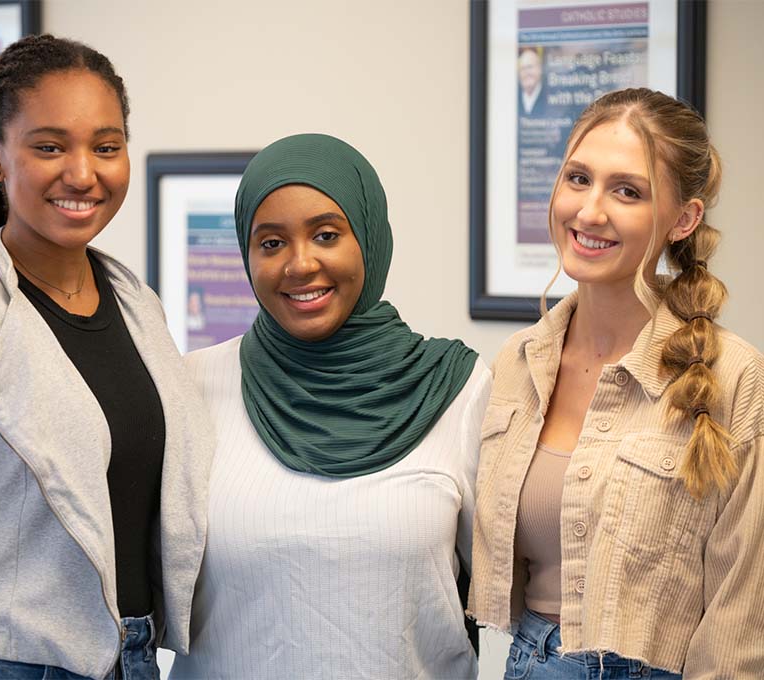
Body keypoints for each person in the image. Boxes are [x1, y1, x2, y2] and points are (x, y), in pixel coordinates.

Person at [0, 34, 213, 680]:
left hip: (133, 659)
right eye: (50, 146)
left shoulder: (136, 301)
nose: (84, 173)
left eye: (106, 147)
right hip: (12, 665)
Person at [170, 133, 489, 680]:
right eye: (270, 243)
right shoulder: (192, 386)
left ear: (368, 236)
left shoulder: (458, 390)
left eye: (325, 234)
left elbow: (505, 593)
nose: (299, 263)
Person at [469, 88, 764, 679]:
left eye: (627, 191)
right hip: (526, 662)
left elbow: (740, 614)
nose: (590, 211)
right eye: (578, 178)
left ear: (684, 219)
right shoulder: (515, 362)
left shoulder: (732, 375)